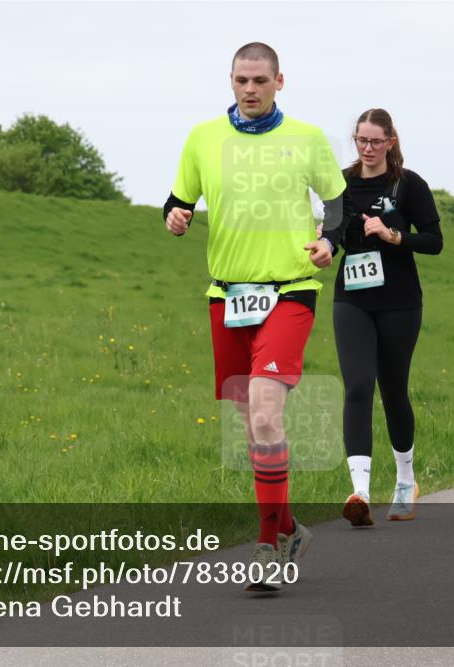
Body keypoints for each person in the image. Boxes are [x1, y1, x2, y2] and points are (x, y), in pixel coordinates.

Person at [163, 43, 346, 591]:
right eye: (242, 80)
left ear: (279, 82)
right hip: (227, 295)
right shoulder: (203, 138)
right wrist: (175, 216)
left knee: (266, 415)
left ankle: (267, 547)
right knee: (252, 424)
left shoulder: (307, 139)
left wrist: (329, 242)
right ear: (231, 80)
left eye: (260, 80)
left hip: (290, 290)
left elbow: (337, 203)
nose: (250, 89)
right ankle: (289, 528)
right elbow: (178, 199)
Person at [327, 109, 443, 527]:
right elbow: (333, 232)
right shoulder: (340, 182)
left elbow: (434, 241)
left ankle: (405, 481)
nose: (368, 148)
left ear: (391, 142)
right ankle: (359, 491)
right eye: (361, 140)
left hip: (399, 301)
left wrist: (393, 235)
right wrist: (325, 242)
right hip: (352, 299)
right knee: (358, 386)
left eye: (376, 141)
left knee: (394, 391)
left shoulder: (409, 184)